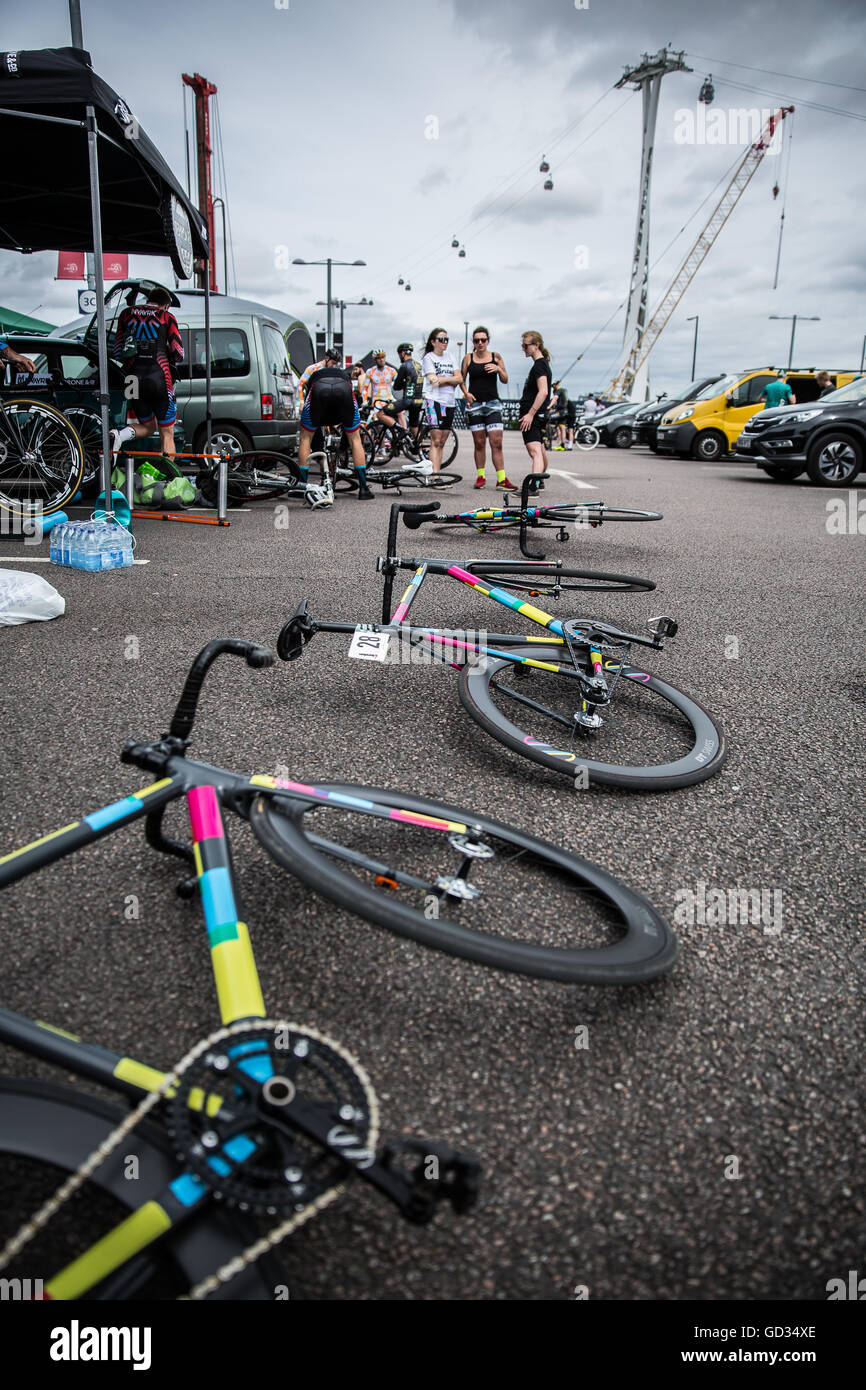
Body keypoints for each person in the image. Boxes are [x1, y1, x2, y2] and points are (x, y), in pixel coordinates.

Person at [110, 286, 184, 460]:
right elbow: (179, 354)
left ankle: (119, 436)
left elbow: (117, 352)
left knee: (147, 426)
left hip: (131, 380)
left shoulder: (126, 314)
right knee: (167, 432)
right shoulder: (167, 317)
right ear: (166, 306)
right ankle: (168, 479)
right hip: (158, 378)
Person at [298, 347, 372, 498]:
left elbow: (303, 388)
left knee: (305, 438)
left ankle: (302, 487)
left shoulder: (316, 371)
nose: (334, 364)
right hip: (343, 389)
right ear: (326, 359)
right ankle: (364, 488)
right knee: (355, 439)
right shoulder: (320, 369)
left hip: (318, 390)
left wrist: (301, 402)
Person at [460, 325, 513, 489]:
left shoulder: (495, 356)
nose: (480, 343)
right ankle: (481, 476)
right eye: (477, 340)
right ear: (473, 342)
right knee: (479, 442)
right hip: (475, 405)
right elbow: (460, 379)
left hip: (492, 404)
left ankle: (501, 479)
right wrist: (466, 393)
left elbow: (505, 379)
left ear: (488, 341)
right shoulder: (468, 358)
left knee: (496, 442)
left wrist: (498, 369)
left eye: (483, 340)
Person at [421, 328, 463, 477]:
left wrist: (442, 380)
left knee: (443, 441)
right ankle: (435, 475)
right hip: (434, 401)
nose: (444, 342)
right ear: (433, 342)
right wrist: (450, 380)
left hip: (449, 402)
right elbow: (432, 381)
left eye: (446, 339)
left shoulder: (451, 357)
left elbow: (460, 378)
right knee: (436, 440)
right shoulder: (429, 358)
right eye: (441, 339)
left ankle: (436, 472)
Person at [518, 329, 553, 485]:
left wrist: (530, 414)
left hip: (533, 415)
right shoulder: (542, 364)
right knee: (539, 448)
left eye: (526, 345)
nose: (523, 348)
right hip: (537, 414)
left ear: (536, 345)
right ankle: (541, 480)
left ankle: (533, 487)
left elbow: (543, 392)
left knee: (535, 452)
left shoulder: (539, 365)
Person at [376, 343, 424, 453]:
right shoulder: (418, 365)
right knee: (414, 427)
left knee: (380, 414)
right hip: (418, 401)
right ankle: (420, 450)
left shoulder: (404, 366)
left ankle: (402, 430)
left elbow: (396, 386)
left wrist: (403, 384)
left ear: (402, 353)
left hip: (407, 401)